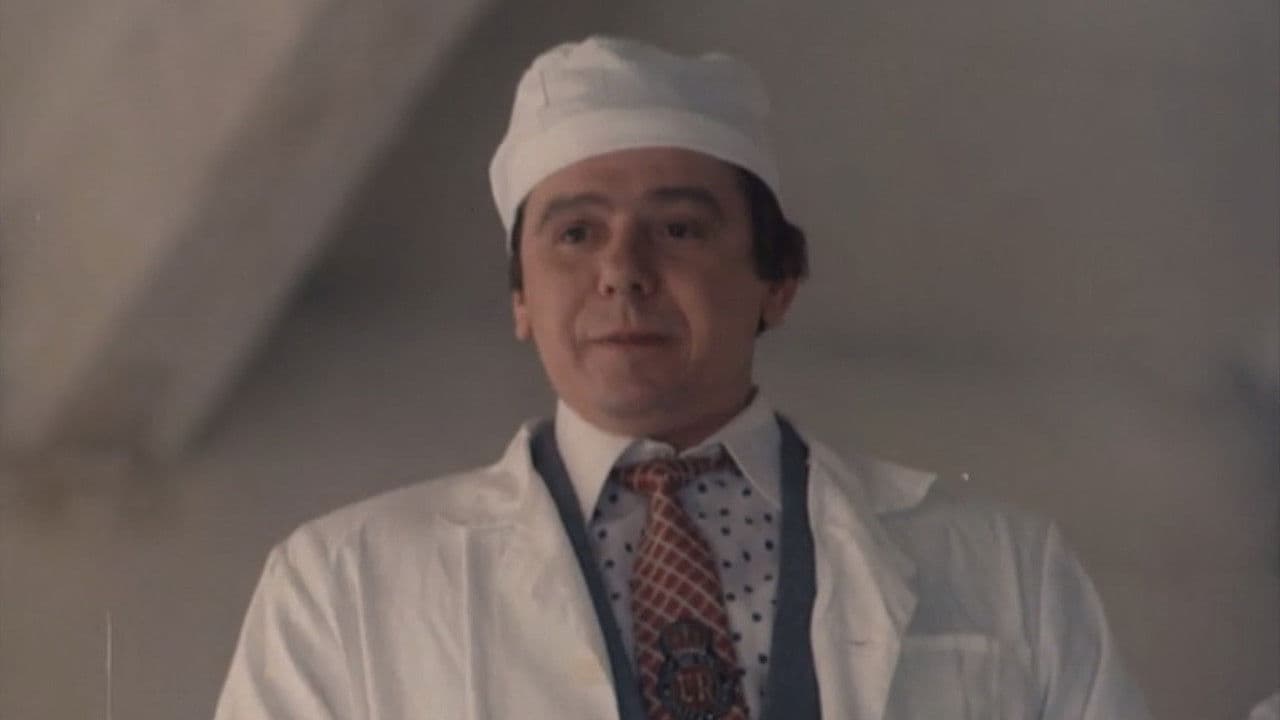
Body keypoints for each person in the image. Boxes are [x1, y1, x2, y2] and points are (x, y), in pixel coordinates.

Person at [214, 36, 1150, 719]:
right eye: (575, 233)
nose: (622, 271)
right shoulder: (343, 583)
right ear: (521, 299)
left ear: (778, 281)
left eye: (679, 228)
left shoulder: (1003, 565)